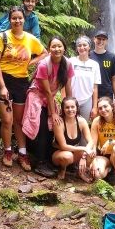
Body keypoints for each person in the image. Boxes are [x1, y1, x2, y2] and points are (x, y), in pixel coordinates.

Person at [0, 6, 47, 170]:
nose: (17, 21)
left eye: (20, 18)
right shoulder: (2, 37)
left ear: (24, 20)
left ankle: (22, 153)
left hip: (21, 81)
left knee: (19, 121)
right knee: (7, 120)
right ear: (10, 20)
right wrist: (2, 86)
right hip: (3, 79)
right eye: (14, 18)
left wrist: (30, 63)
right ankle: (8, 151)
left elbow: (44, 52)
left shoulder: (30, 39)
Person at [23, 36, 74, 177]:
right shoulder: (44, 64)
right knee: (42, 126)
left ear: (64, 48)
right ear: (49, 48)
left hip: (50, 96)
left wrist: (70, 107)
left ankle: (49, 159)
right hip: (37, 95)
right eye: (53, 46)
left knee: (54, 126)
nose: (57, 49)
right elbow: (46, 91)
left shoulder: (67, 64)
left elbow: (68, 88)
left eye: (60, 46)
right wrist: (53, 113)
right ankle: (39, 162)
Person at [52, 97, 97, 181]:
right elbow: (63, 146)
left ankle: (80, 173)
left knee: (91, 152)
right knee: (67, 156)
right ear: (63, 109)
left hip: (75, 152)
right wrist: (84, 149)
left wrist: (84, 156)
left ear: (77, 108)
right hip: (59, 153)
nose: (70, 110)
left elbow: (91, 141)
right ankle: (62, 170)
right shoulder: (59, 123)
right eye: (67, 107)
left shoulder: (82, 121)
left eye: (72, 107)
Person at [69, 36, 101, 121]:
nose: (82, 48)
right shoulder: (71, 62)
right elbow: (65, 83)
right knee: (71, 124)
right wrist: (65, 100)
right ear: (77, 48)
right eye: (79, 45)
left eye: (84, 45)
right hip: (72, 99)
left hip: (87, 100)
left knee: (84, 125)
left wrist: (94, 107)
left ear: (89, 47)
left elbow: (95, 88)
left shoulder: (94, 65)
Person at [90, 30, 115, 100]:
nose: (101, 41)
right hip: (91, 93)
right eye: (99, 39)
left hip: (107, 94)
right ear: (94, 39)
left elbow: (114, 79)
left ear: (107, 41)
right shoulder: (89, 56)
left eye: (103, 39)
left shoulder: (112, 57)